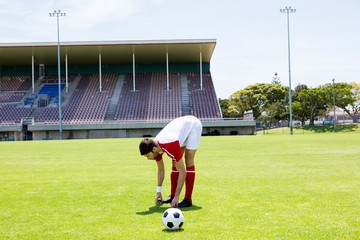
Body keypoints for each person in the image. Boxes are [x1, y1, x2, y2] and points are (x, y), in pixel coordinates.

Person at [139, 115, 202, 208]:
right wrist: (158, 192)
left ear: (154, 149)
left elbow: (182, 172)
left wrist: (177, 196)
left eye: (148, 156)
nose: (148, 159)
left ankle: (188, 199)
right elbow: (160, 170)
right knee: (175, 162)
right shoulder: (155, 147)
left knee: (188, 159)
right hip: (181, 131)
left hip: (193, 126)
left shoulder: (168, 144)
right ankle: (172, 196)